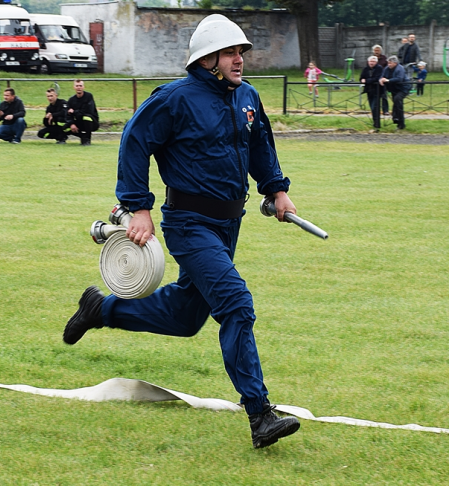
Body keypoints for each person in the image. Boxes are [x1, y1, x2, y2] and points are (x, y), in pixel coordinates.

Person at [63, 14, 301, 449]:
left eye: (241, 52)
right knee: (236, 304)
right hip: (189, 225)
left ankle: (101, 310)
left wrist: (276, 189)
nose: (239, 59)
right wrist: (137, 207)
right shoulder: (174, 98)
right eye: (230, 52)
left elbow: (260, 144)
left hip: (230, 224)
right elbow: (134, 141)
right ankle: (259, 414)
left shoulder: (247, 96)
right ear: (207, 58)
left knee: (186, 317)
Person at [380, 55, 410, 130]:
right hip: (394, 89)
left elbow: (399, 79)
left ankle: (398, 120)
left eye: (390, 63)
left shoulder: (400, 69)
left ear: (395, 63)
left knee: (397, 100)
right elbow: (382, 76)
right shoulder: (387, 68)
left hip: (403, 88)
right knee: (397, 103)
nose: (389, 64)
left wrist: (388, 80)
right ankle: (398, 120)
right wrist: (381, 79)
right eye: (388, 63)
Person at [66, 79, 99, 146]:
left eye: (80, 86)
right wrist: (72, 124)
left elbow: (88, 111)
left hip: (92, 122)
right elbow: (67, 114)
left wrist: (74, 112)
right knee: (64, 127)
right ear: (74, 87)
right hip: (79, 121)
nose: (79, 87)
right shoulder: (71, 100)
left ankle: (87, 139)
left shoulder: (89, 96)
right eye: (77, 86)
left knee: (86, 117)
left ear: (83, 87)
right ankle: (83, 137)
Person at [360, 55, 383, 130]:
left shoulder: (379, 68)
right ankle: (375, 122)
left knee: (375, 107)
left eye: (373, 61)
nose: (371, 63)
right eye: (370, 61)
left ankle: (377, 123)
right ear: (368, 62)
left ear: (376, 62)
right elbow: (361, 77)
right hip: (369, 91)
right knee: (372, 107)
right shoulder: (365, 69)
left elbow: (377, 78)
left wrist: (367, 81)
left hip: (377, 90)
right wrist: (362, 80)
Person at [372, 45, 389, 115]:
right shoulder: (371, 58)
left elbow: (387, 68)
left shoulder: (384, 58)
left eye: (378, 50)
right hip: (374, 80)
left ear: (380, 51)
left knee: (384, 96)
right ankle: (376, 111)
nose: (376, 52)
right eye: (375, 50)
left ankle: (385, 110)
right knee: (375, 97)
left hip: (382, 79)